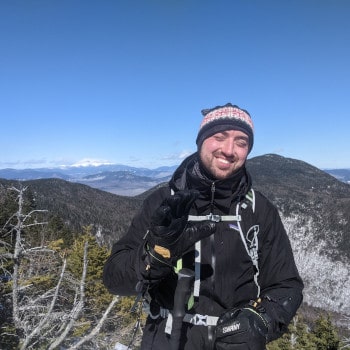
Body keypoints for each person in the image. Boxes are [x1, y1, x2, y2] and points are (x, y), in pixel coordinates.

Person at [103, 103, 304, 350]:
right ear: (200, 141)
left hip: (233, 343)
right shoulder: (163, 203)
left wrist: (261, 320)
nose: (229, 150)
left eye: (241, 142)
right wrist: (155, 255)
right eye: (219, 137)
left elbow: (286, 285)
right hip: (163, 339)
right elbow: (114, 278)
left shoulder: (258, 210)